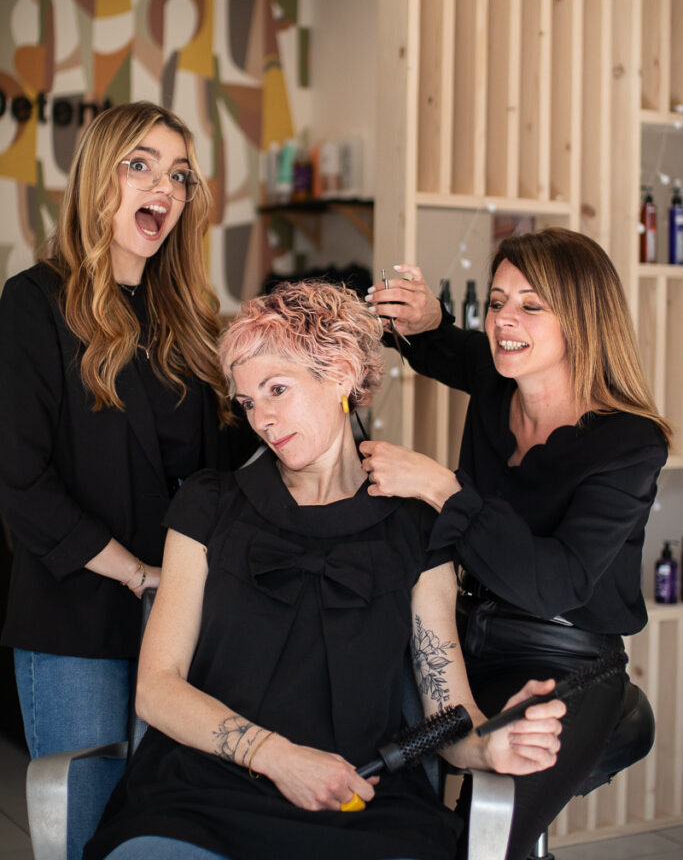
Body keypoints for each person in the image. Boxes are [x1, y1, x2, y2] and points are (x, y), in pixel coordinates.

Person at [84, 280, 564, 860]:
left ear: (338, 374)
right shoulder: (208, 506)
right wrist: (279, 758)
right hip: (201, 798)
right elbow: (157, 690)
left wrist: (491, 747)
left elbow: (447, 711)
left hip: (366, 807)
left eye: (276, 389)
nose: (260, 417)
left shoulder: (415, 525)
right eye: (247, 401)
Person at [361, 227, 670, 860]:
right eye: (498, 300)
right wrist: (426, 318)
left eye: (531, 305)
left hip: (565, 658)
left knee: (487, 837)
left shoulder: (630, 445)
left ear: (581, 319)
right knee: (374, 779)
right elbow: (443, 346)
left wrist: (445, 490)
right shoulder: (499, 379)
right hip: (461, 630)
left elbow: (555, 582)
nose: (505, 319)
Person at [0, 101, 258, 859]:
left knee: (159, 829)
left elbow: (211, 463)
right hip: (76, 618)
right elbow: (18, 478)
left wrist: (311, 392)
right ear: (97, 179)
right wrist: (138, 573)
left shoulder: (188, 318)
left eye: (178, 173)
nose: (165, 187)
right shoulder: (33, 303)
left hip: (177, 622)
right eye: (140, 163)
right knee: (88, 830)